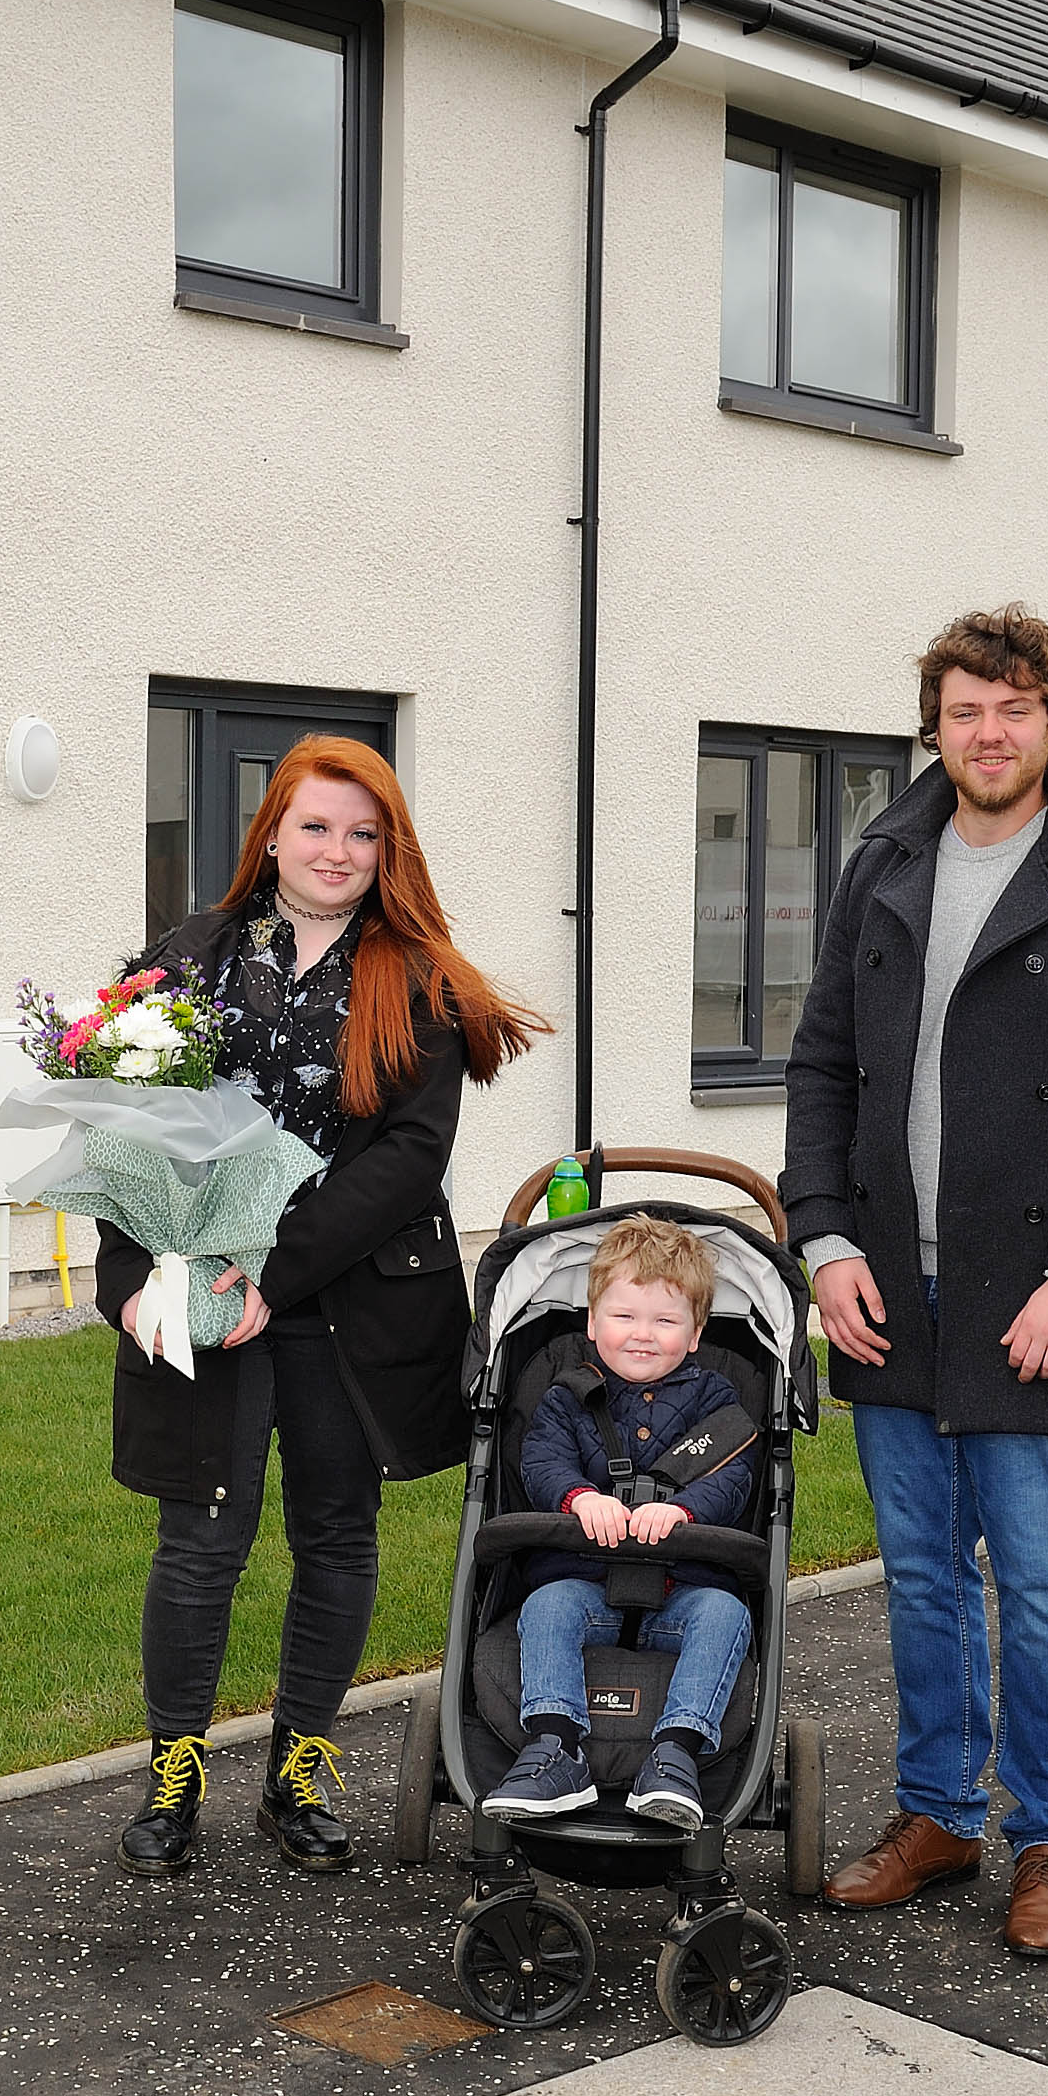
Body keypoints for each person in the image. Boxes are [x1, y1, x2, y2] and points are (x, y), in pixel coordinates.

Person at [781, 605, 1048, 1956]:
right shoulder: (885, 861)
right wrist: (826, 1239)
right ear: (939, 725)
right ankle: (938, 1815)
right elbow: (817, 1063)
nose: (987, 732)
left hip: (1041, 1297)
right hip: (889, 1291)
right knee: (919, 1573)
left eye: (1012, 708)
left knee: (1041, 1579)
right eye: (965, 710)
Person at [101, 735, 547, 1877]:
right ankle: (174, 1777)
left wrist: (267, 1275)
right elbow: (120, 1134)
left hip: (349, 1307)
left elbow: (407, 1158)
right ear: (272, 832)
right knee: (199, 1540)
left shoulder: (422, 978)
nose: (338, 851)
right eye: (316, 826)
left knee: (336, 1536)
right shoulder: (185, 960)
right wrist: (145, 1283)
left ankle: (299, 1767)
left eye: (364, 832)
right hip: (199, 1297)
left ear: (388, 848)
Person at [483, 1216, 762, 1833]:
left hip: (683, 1587)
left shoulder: (718, 1402)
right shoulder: (565, 1395)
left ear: (694, 1335)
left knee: (727, 1615)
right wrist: (581, 1498)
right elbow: (542, 1460)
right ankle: (557, 1748)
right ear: (591, 1324)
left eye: (665, 1321)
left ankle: (676, 1754)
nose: (642, 1335)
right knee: (547, 1606)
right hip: (584, 1580)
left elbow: (733, 1476)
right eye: (624, 1317)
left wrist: (684, 1510)